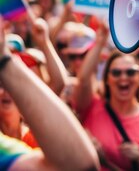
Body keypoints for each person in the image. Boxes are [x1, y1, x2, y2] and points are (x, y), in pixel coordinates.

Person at [0, 19, 100, 170]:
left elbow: (77, 165)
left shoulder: (35, 131)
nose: (7, 90)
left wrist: (5, 61)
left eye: (28, 67)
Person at [73, 24, 139, 170]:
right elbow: (83, 81)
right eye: (116, 73)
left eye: (130, 72)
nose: (123, 78)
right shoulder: (92, 106)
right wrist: (99, 43)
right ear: (107, 79)